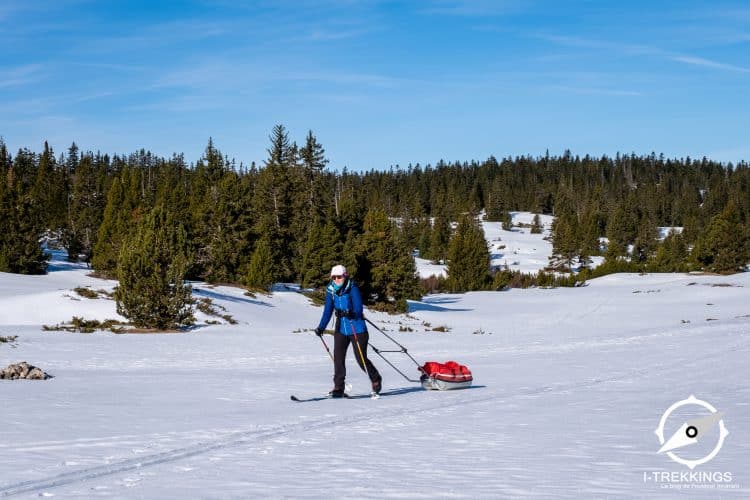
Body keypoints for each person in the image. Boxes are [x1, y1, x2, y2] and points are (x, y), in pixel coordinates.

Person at [315, 264, 382, 397]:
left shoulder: (352, 287)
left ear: (345, 276)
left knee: (360, 359)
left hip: (357, 327)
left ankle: (375, 379)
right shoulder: (331, 290)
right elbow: (327, 311)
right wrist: (321, 327)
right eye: (333, 277)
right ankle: (339, 387)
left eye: (339, 277)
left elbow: (358, 307)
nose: (336, 280)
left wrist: (353, 313)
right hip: (341, 328)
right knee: (338, 358)